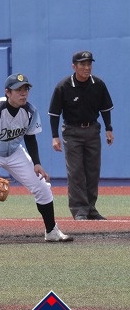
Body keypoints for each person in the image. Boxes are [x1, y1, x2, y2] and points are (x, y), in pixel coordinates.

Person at [0, 73, 72, 244]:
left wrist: (37, 163)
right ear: (7, 92)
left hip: (14, 152)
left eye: (26, 89)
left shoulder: (30, 111)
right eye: (18, 90)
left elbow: (30, 137)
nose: (23, 93)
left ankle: (51, 231)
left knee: (42, 187)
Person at [48, 50, 114, 220]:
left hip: (93, 130)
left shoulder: (98, 84)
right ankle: (79, 210)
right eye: (82, 64)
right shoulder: (63, 86)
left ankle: (91, 208)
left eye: (89, 64)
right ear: (74, 66)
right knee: (76, 171)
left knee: (93, 170)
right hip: (72, 132)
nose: (86, 67)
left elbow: (105, 108)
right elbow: (54, 113)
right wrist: (55, 136)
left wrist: (109, 129)